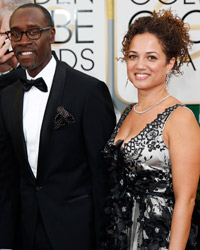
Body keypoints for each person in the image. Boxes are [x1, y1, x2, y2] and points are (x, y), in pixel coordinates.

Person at [0, 3, 116, 250]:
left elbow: (102, 177)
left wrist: (103, 239)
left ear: (51, 34)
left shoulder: (88, 92)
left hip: (76, 233)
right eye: (16, 33)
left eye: (33, 31)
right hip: (25, 233)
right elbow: (8, 178)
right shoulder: (7, 95)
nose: (23, 41)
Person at [100, 9, 200, 250]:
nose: (140, 65)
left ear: (170, 63)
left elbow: (186, 200)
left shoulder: (180, 118)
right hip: (121, 231)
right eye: (133, 56)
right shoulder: (127, 112)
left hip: (158, 238)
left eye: (151, 57)